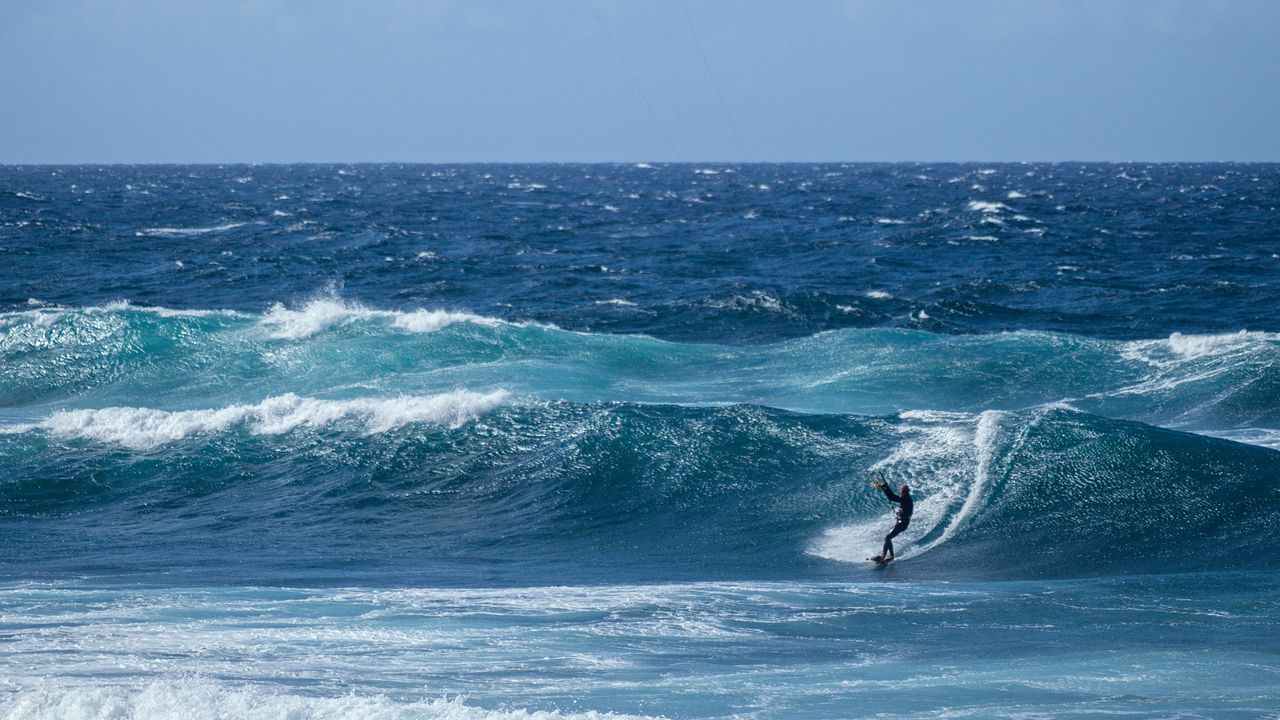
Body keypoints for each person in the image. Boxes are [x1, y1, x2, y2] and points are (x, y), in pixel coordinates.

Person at [875, 481, 913, 561]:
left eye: (901, 490)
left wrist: (885, 488)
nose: (900, 492)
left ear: (904, 491)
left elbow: (892, 497)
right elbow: (895, 499)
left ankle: (889, 556)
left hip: (902, 523)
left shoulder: (906, 498)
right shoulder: (906, 498)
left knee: (887, 537)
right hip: (902, 523)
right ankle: (884, 556)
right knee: (888, 538)